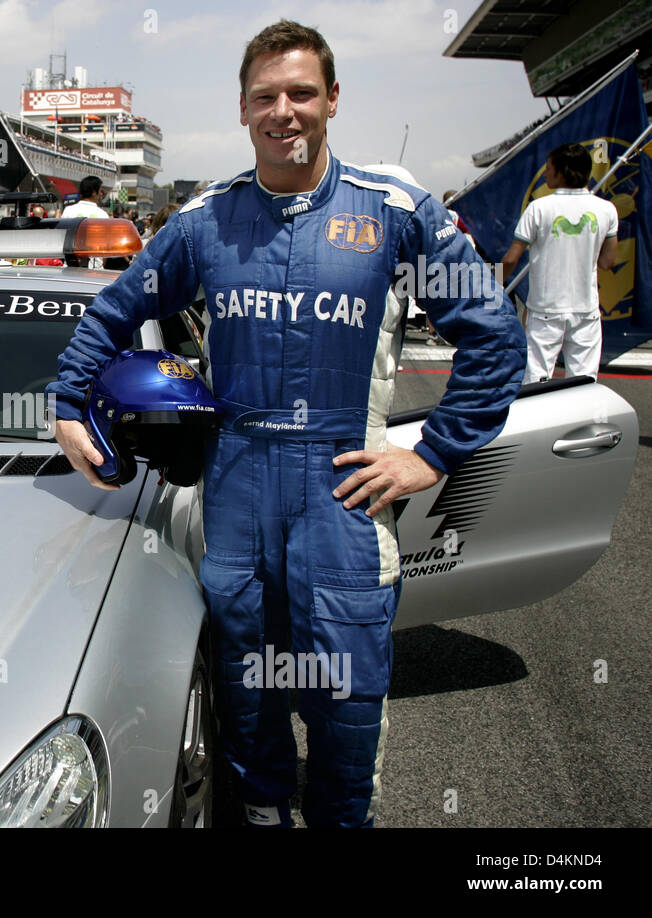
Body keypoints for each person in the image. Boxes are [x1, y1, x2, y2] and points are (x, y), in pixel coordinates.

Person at [46, 19, 526, 828]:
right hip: (235, 492)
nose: (285, 111)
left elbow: (495, 338)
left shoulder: (395, 210)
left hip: (344, 496)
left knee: (346, 703)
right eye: (265, 96)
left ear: (332, 99)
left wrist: (431, 455)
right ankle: (265, 812)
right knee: (247, 686)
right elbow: (113, 313)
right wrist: (66, 406)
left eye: (302, 93)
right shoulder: (205, 222)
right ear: (243, 110)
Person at [501, 143, 618, 382]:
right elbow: (607, 262)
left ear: (563, 171)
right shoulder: (607, 209)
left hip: (546, 308)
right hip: (586, 309)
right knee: (584, 381)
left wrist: (491, 286)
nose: (545, 173)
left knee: (536, 380)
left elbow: (512, 258)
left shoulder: (538, 208)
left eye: (549, 168)